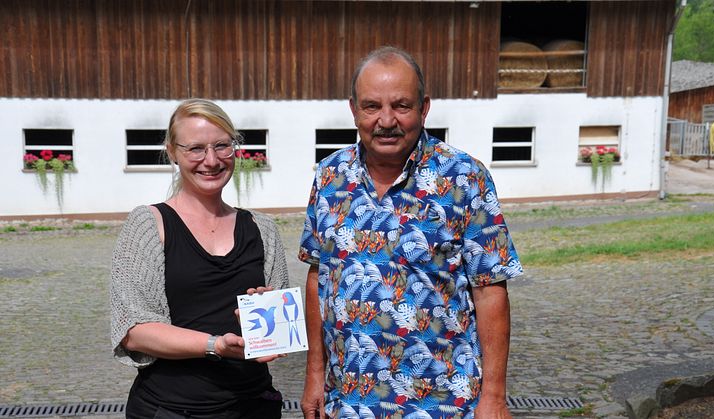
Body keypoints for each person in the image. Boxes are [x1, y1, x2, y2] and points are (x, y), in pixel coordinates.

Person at [298, 47, 523, 418]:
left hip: (443, 402)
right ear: (353, 110)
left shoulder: (464, 178)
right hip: (350, 401)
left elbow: (490, 291)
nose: (387, 120)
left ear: (424, 108)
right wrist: (314, 374)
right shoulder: (328, 177)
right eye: (372, 107)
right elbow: (317, 277)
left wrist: (495, 396)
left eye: (401, 105)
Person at [110, 98, 289, 419]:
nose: (211, 160)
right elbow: (134, 330)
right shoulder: (149, 224)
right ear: (173, 152)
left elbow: (277, 340)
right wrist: (216, 344)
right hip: (172, 409)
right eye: (195, 148)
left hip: (254, 405)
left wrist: (266, 320)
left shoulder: (262, 228)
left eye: (222, 146)